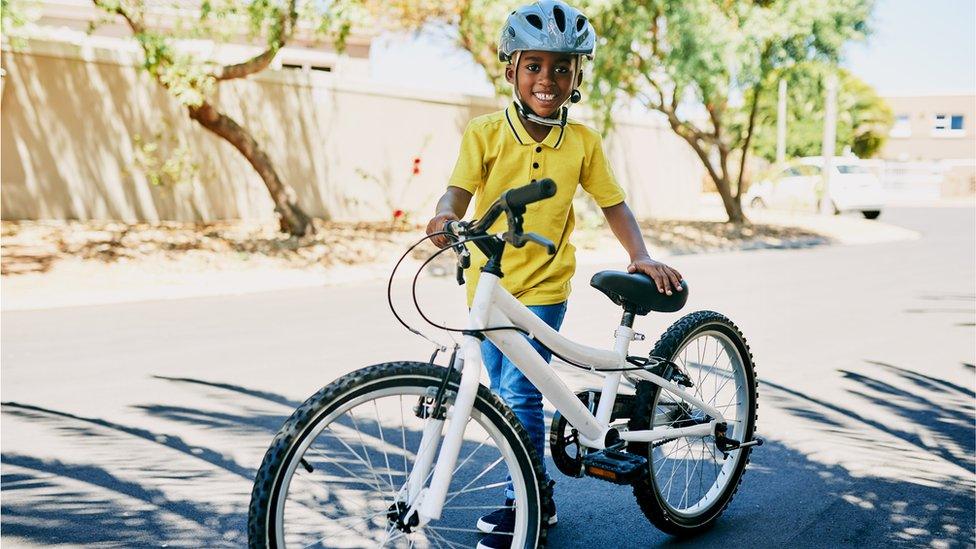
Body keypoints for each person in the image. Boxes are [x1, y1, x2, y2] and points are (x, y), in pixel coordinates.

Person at [425, 1, 683, 547]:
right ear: (511, 68)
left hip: (543, 285)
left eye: (562, 68)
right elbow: (458, 190)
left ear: (577, 76)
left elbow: (613, 204)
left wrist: (639, 254)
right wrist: (445, 215)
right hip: (485, 284)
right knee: (502, 391)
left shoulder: (582, 142)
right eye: (535, 65)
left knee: (519, 391)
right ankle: (530, 482)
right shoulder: (485, 133)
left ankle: (532, 502)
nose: (548, 78)